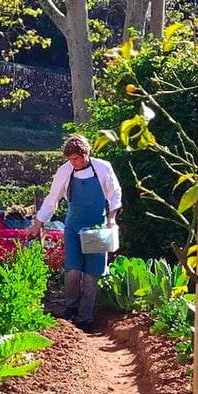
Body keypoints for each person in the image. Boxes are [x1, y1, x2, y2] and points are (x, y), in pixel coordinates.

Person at [31, 134, 122, 332]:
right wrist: (38, 223)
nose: (73, 163)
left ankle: (84, 318)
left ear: (86, 154)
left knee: (92, 274)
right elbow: (52, 199)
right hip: (73, 227)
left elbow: (115, 194)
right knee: (72, 270)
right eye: (70, 159)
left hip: (96, 228)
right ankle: (71, 307)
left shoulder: (102, 168)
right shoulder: (65, 171)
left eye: (76, 159)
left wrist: (111, 219)